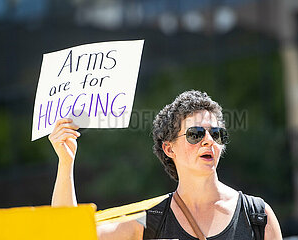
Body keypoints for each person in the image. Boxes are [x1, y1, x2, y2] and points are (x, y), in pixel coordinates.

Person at [49, 90, 282, 240]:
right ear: (169, 148)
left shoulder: (257, 216)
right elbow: (67, 235)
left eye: (217, 134)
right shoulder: (152, 222)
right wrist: (66, 161)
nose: (208, 141)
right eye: (195, 134)